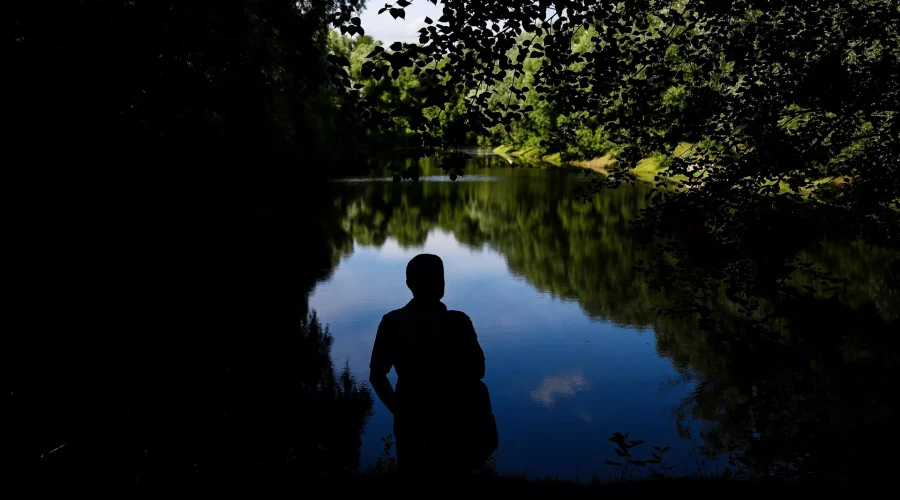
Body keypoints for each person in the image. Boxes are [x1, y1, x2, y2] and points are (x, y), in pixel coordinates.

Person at [369, 254, 497, 481]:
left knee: (414, 479)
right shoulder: (459, 322)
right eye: (438, 278)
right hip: (454, 419)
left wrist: (399, 411)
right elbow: (479, 371)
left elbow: (377, 376)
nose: (439, 283)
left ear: (409, 285)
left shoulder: (392, 322)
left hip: (410, 417)